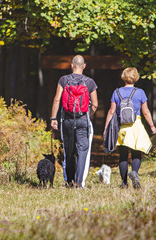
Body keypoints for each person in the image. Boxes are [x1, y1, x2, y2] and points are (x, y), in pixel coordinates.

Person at [103, 67, 156, 189]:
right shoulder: (140, 92)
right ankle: (135, 173)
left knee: (123, 155)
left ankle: (124, 183)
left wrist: (106, 128)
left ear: (123, 77)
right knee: (136, 153)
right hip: (135, 125)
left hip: (121, 127)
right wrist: (152, 126)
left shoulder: (116, 92)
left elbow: (111, 112)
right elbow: (146, 111)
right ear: (136, 77)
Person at [51, 55, 98, 188]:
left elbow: (56, 99)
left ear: (72, 65)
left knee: (69, 151)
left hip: (67, 120)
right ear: (84, 66)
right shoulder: (90, 82)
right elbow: (94, 105)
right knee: (82, 150)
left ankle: (69, 181)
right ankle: (79, 183)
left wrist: (53, 118)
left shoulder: (63, 80)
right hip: (83, 120)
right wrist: (88, 115)